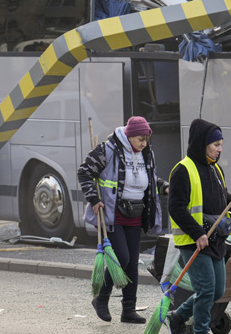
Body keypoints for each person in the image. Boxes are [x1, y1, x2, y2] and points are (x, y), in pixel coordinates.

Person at [78, 116, 167, 324]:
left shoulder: (146, 153)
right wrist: (94, 198)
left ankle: (128, 310)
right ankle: (101, 298)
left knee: (131, 265)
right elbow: (84, 172)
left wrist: (164, 186)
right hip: (112, 213)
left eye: (146, 139)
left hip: (135, 214)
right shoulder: (108, 150)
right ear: (129, 136)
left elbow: (151, 179)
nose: (144, 143)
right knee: (122, 258)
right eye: (140, 139)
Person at [166, 118, 231, 334]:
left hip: (216, 238)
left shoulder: (216, 169)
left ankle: (178, 317)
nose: (220, 149)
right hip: (193, 241)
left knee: (217, 290)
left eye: (221, 144)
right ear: (203, 144)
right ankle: (200, 330)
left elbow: (220, 198)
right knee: (206, 290)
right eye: (216, 145)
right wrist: (197, 234)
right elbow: (175, 208)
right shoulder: (183, 170)